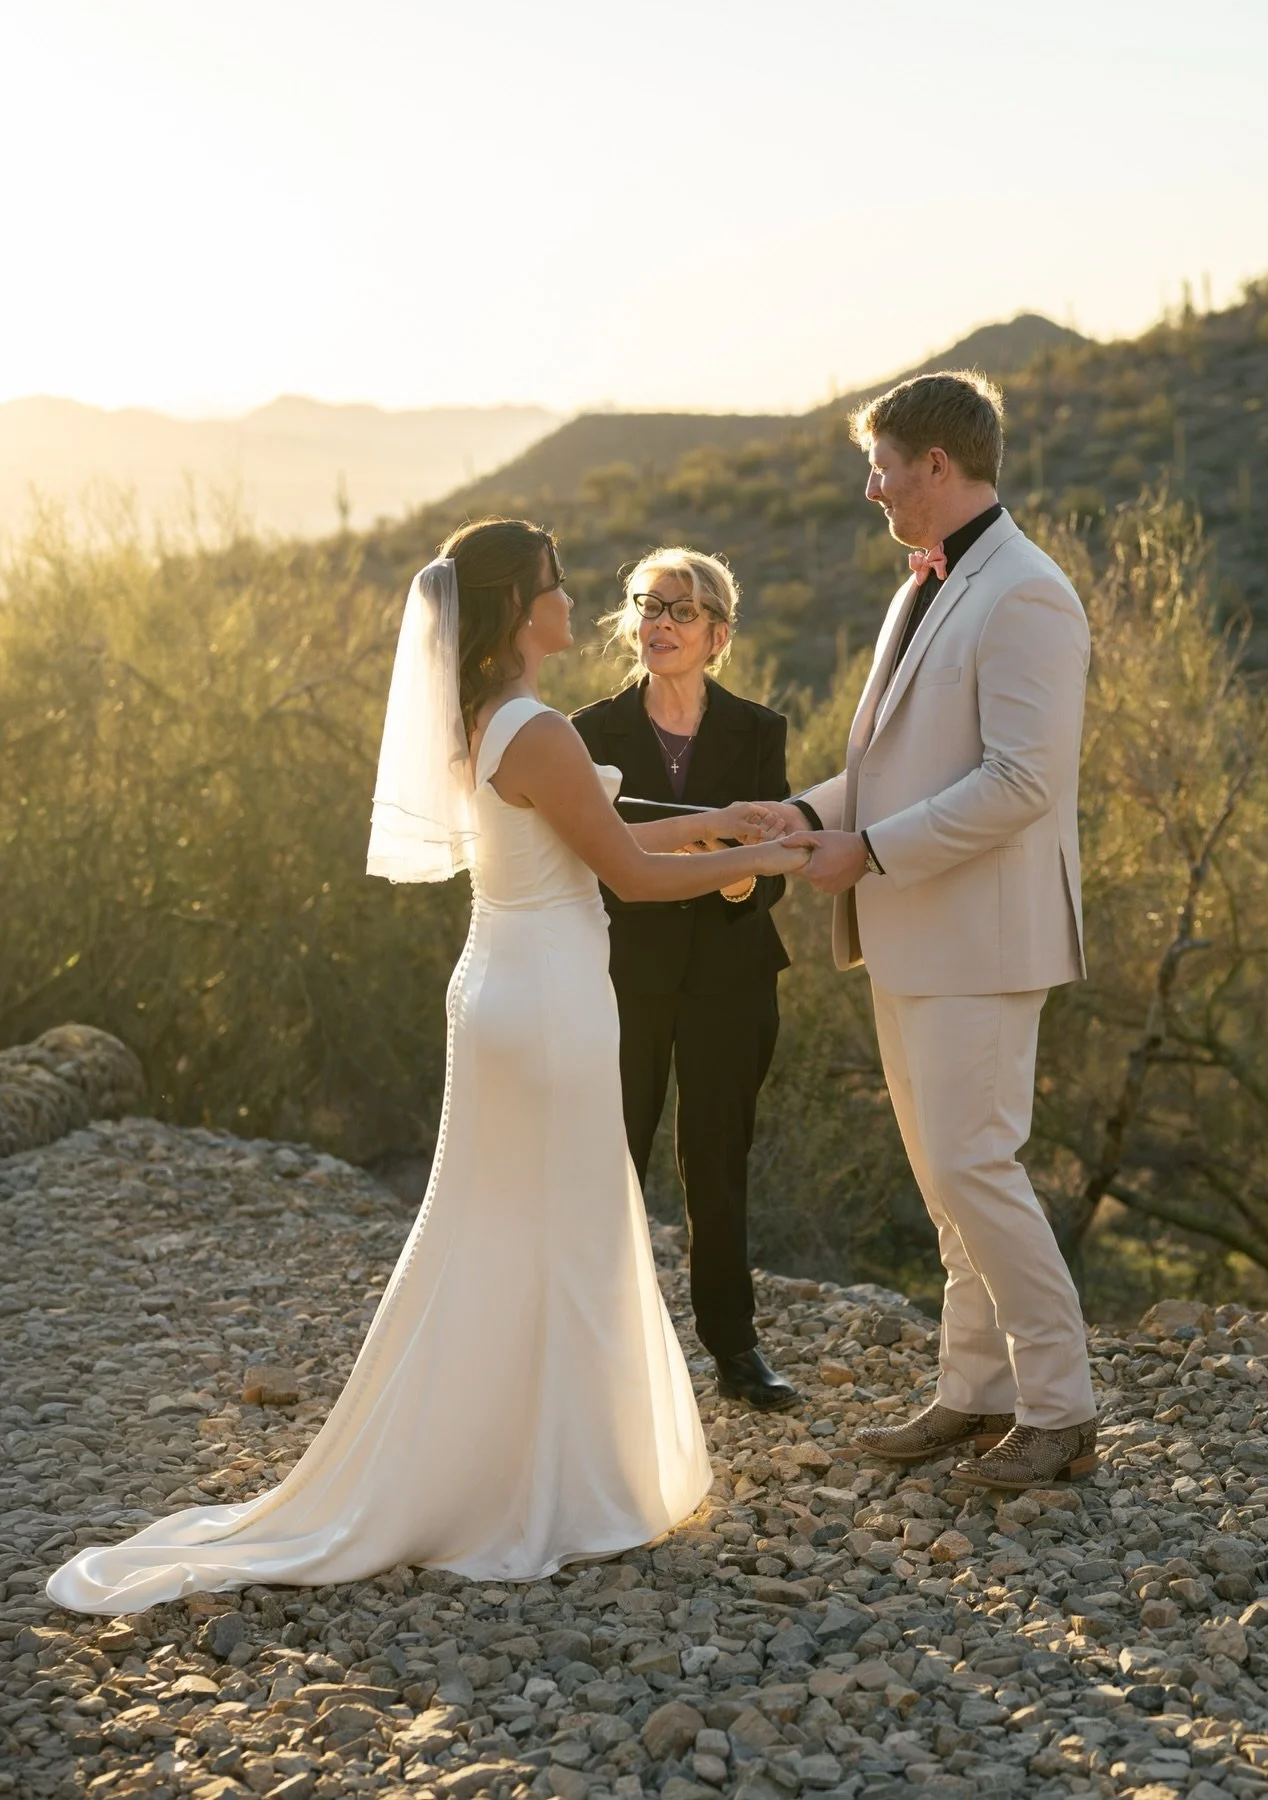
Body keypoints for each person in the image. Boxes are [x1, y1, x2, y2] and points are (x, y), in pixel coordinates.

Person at [47, 517, 808, 1614]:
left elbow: (603, 834)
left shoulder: (491, 719)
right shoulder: (541, 727)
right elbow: (630, 876)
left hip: (504, 983)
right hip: (548, 1000)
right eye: (554, 583)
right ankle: (551, 1483)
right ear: (514, 608)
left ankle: (503, 1457)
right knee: (565, 1228)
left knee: (506, 1227)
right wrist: (780, 848)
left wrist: (725, 819)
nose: (572, 598)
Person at [774, 371, 1098, 1492]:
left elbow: (1019, 782)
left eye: (882, 467)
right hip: (913, 929)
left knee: (977, 1166)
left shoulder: (1027, 594)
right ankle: (975, 1391)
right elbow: (888, 765)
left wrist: (862, 850)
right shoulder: (922, 585)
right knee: (943, 1178)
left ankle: (1060, 1410)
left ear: (938, 468)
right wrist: (806, 815)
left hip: (982, 939)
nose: (872, 488)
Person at [572, 549, 797, 1411]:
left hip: (731, 977)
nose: (661, 623)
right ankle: (601, 1348)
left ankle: (735, 1352)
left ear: (717, 636)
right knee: (611, 1160)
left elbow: (774, 864)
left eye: (683, 610)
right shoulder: (587, 732)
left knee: (717, 1164)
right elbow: (580, 858)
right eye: (648, 606)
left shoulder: (759, 731)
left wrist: (735, 872)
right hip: (619, 973)